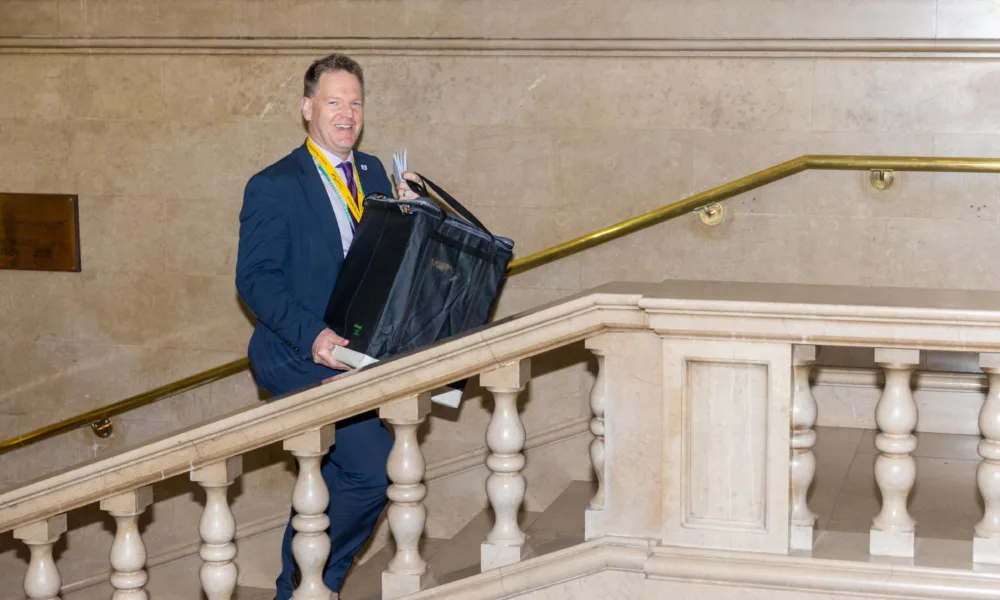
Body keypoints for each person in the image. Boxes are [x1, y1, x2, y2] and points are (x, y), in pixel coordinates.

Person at [235, 53, 422, 599]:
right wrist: (314, 336)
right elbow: (257, 280)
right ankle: (305, 586)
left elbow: (375, 263)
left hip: (355, 350)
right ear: (307, 108)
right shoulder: (273, 185)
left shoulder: (369, 173)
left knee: (352, 477)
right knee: (370, 469)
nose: (347, 113)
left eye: (355, 102)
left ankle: (307, 583)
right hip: (297, 349)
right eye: (334, 101)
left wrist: (408, 218)